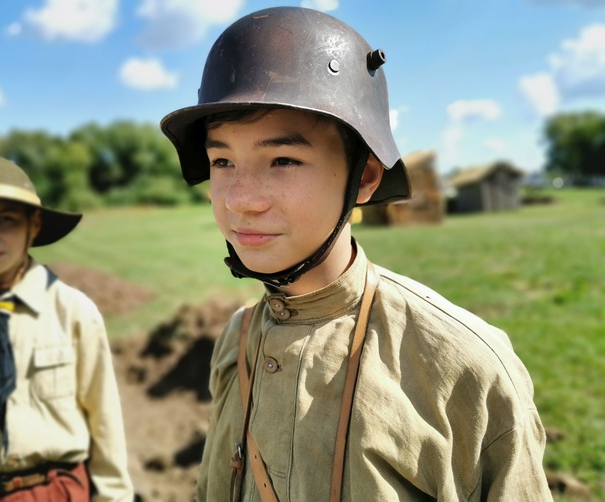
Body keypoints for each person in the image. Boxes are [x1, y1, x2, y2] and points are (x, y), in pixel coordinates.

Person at [160, 6, 553, 502]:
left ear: (364, 176)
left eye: (283, 159)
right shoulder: (236, 342)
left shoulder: (466, 369)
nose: (239, 198)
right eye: (221, 160)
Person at [0, 154, 134, 501]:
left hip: (55, 491)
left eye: (5, 221)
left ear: (35, 224)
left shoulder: (74, 312)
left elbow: (105, 425)